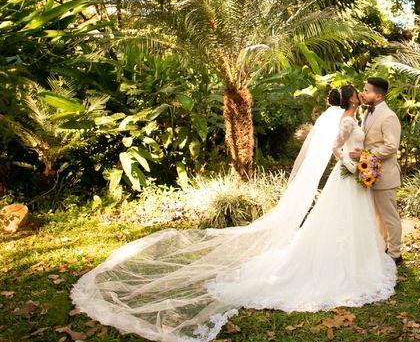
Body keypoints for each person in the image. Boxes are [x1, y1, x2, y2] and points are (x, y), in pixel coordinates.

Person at [71, 84, 396, 342]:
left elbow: (353, 147)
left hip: (352, 178)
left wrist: (358, 160)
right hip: (348, 174)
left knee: (353, 221)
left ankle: (359, 256)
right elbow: (338, 149)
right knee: (337, 222)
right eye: (358, 92)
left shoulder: (357, 115)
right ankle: (340, 265)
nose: (361, 94)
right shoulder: (345, 120)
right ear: (351, 98)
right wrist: (351, 162)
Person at [350, 77, 403, 265]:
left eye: (366, 91)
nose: (363, 94)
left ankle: (395, 254)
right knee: (377, 215)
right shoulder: (367, 113)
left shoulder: (389, 117)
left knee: (389, 216)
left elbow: (391, 146)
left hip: (386, 174)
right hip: (370, 174)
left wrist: (365, 155)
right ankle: (382, 247)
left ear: (378, 96)